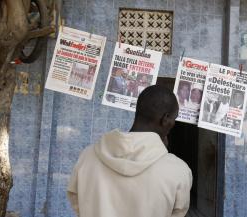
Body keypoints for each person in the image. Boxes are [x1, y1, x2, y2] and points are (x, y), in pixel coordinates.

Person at [67, 85, 193, 217]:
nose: (173, 124)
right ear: (165, 119)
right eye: (174, 119)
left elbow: (77, 203)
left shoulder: (88, 157)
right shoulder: (178, 170)